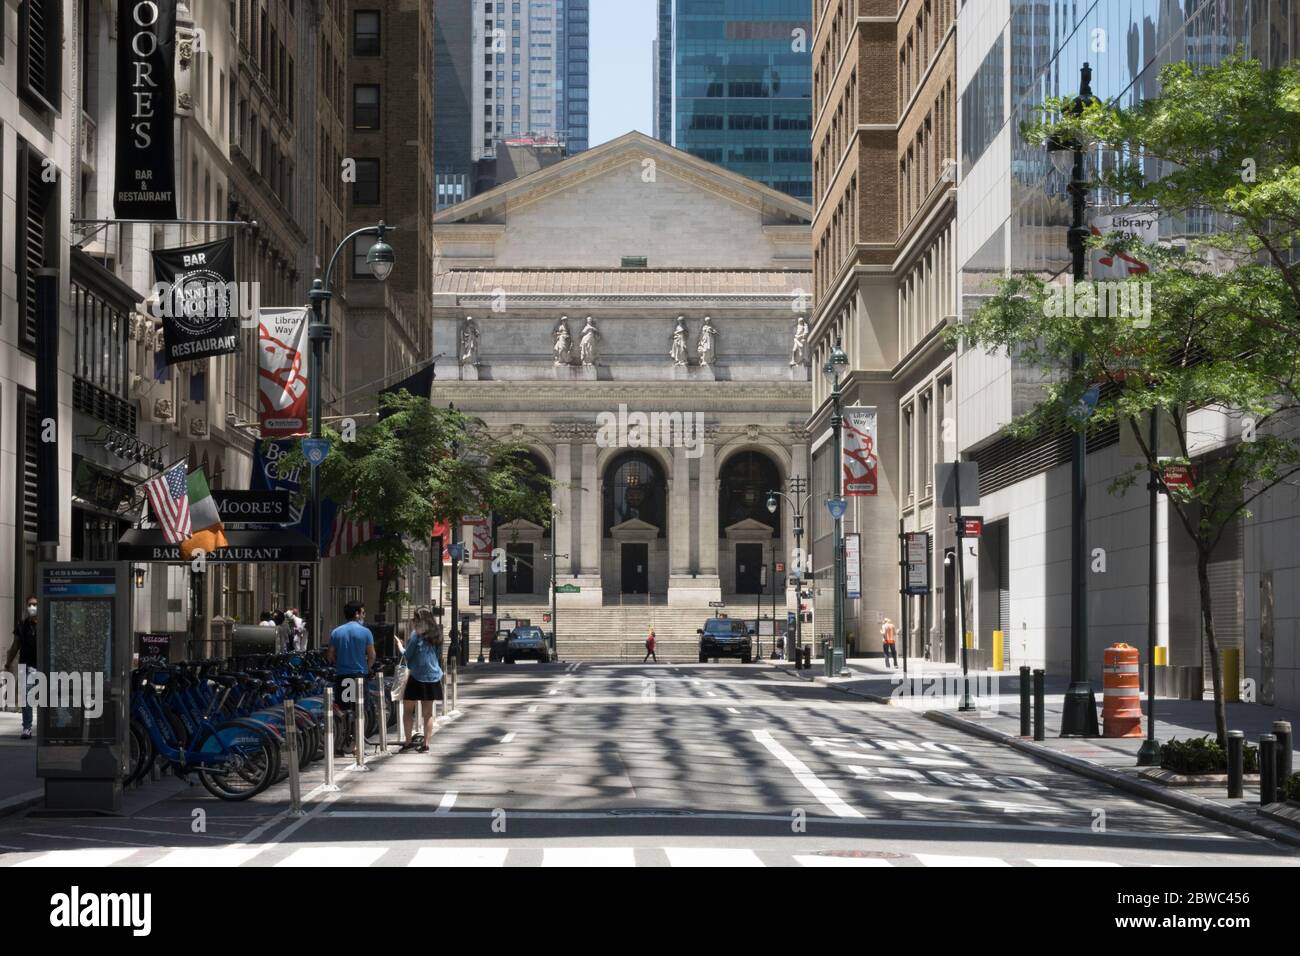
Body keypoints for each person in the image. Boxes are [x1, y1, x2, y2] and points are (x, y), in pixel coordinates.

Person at [325, 602, 375, 737]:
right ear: (357, 614)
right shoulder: (366, 632)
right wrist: (367, 667)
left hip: (342, 675)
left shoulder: (336, 632)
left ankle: (343, 738)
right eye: (363, 613)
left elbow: (330, 655)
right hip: (359, 675)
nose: (364, 615)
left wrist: (340, 662)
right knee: (359, 710)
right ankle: (356, 744)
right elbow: (372, 655)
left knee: (343, 708)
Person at [398, 609, 444, 753]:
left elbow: (407, 655)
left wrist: (399, 645)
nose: (414, 621)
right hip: (433, 677)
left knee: (408, 710)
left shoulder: (415, 635)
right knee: (428, 713)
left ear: (420, 620)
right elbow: (438, 656)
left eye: (415, 619)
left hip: (416, 676)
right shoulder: (437, 635)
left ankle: (407, 742)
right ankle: (426, 744)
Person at [5, 596, 39, 739]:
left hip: (43, 666)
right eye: (30, 604)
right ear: (26, 606)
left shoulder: (46, 622)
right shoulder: (22, 625)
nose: (32, 607)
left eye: (35, 604)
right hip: (27, 665)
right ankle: (27, 728)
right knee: (27, 698)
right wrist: (8, 662)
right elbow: (15, 646)